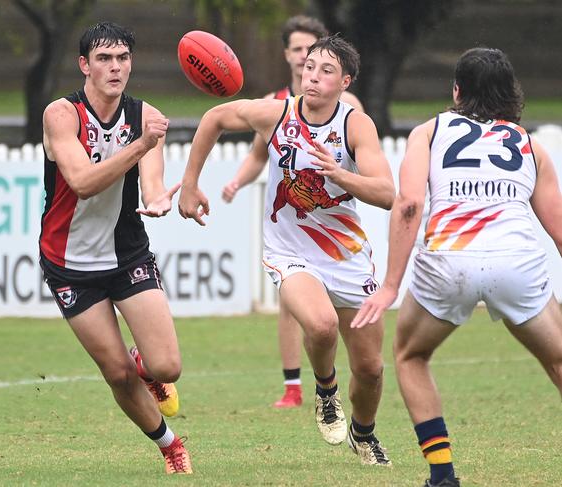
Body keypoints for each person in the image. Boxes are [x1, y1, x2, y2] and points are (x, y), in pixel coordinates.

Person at [180, 35, 395, 466]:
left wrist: (340, 173)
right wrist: (189, 183)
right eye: (309, 67)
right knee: (319, 325)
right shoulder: (277, 114)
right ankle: (326, 390)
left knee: (371, 369)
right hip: (289, 249)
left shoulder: (356, 125)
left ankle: (364, 434)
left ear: (345, 81)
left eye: (325, 70)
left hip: (347, 255)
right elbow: (216, 117)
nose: (312, 75)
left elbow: (387, 193)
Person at [351, 47, 562, 487]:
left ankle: (443, 475)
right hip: (516, 262)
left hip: (449, 262)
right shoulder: (530, 146)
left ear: (457, 91)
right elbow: (558, 230)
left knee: (411, 355)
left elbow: (408, 203)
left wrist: (391, 286)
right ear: (511, 94)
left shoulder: (429, 132)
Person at [39, 22, 191, 474]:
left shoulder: (146, 116)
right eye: (104, 58)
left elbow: (152, 186)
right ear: (84, 65)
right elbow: (83, 183)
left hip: (127, 254)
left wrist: (162, 200)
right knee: (117, 373)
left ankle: (149, 369)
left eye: (123, 58)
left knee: (167, 367)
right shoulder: (62, 115)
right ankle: (171, 447)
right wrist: (142, 144)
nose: (115, 67)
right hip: (68, 263)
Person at [221, 15, 365, 410]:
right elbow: (255, 155)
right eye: (299, 50)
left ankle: (344, 384)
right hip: (291, 228)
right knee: (296, 305)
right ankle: (293, 386)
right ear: (287, 55)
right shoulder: (273, 106)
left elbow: (361, 163)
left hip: (336, 233)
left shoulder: (348, 108)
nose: (306, 58)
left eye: (311, 49)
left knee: (348, 336)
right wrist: (236, 182)